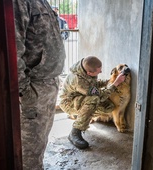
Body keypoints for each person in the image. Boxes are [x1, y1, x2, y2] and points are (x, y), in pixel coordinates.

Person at [13, 0, 66, 169]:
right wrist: (25, 92)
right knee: (29, 150)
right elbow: (13, 50)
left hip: (48, 84)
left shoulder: (42, 2)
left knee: (40, 141)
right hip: (33, 88)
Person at [59, 56, 126, 149]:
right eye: (99, 71)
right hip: (68, 103)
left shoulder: (86, 68)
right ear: (89, 72)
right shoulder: (78, 81)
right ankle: (75, 132)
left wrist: (111, 81)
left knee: (108, 106)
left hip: (80, 98)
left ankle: (84, 116)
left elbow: (95, 83)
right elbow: (99, 95)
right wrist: (115, 84)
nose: (101, 72)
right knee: (94, 100)